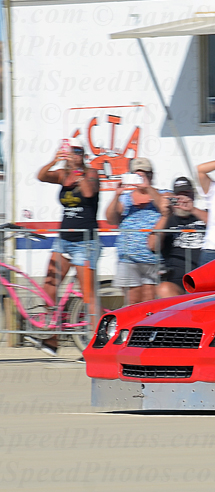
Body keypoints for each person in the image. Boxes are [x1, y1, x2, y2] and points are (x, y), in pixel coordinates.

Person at [31, 140, 100, 356]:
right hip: (64, 240)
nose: (74, 155)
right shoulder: (62, 175)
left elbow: (88, 193)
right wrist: (55, 159)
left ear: (83, 154)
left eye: (78, 152)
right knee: (49, 286)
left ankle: (98, 346)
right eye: (71, 152)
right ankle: (52, 339)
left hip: (85, 241)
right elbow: (41, 176)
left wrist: (78, 170)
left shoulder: (91, 173)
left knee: (88, 295)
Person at [106, 157, 163, 306]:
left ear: (151, 175)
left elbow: (164, 206)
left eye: (145, 174)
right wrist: (117, 194)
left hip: (151, 260)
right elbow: (111, 219)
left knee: (149, 303)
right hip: (128, 259)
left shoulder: (160, 194)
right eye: (137, 174)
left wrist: (148, 187)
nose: (141, 177)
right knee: (132, 303)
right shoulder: (126, 198)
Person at [147, 177, 208, 298]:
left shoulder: (203, 215)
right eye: (179, 196)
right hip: (178, 279)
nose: (183, 200)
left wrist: (193, 209)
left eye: (187, 195)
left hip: (206, 276)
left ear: (193, 196)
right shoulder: (167, 220)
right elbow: (152, 245)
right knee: (164, 289)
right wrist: (165, 215)